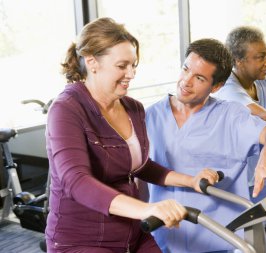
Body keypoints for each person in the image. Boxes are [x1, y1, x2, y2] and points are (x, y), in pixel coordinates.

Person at [45, 17, 219, 253]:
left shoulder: (133, 108)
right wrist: (147, 209)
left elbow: (139, 166)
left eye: (134, 65)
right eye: (122, 65)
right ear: (92, 62)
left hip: (132, 233)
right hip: (82, 240)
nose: (131, 73)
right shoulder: (67, 109)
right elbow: (76, 181)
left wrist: (190, 181)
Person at [146, 38, 266, 253]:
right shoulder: (150, 115)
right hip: (164, 230)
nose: (186, 81)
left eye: (199, 78)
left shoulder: (229, 114)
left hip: (217, 231)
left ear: (217, 86)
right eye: (186, 69)